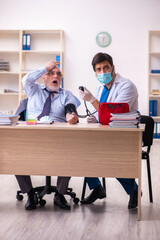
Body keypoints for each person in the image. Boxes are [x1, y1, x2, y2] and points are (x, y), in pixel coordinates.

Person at [16, 60, 80, 211]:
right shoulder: (34, 90)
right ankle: (30, 194)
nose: (55, 75)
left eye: (58, 73)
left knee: (71, 152)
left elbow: (70, 108)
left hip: (57, 140)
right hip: (32, 137)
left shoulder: (66, 95)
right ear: (43, 78)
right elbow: (26, 79)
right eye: (50, 73)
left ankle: (60, 194)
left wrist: (72, 116)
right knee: (15, 154)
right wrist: (45, 67)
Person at [79, 52, 139, 209]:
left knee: (108, 156)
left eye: (106, 67)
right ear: (95, 73)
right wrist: (93, 117)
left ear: (113, 68)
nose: (103, 72)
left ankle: (134, 190)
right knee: (81, 151)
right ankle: (96, 188)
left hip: (124, 135)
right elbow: (101, 115)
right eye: (98, 69)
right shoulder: (100, 88)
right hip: (105, 134)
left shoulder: (126, 86)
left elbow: (114, 115)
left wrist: (92, 101)